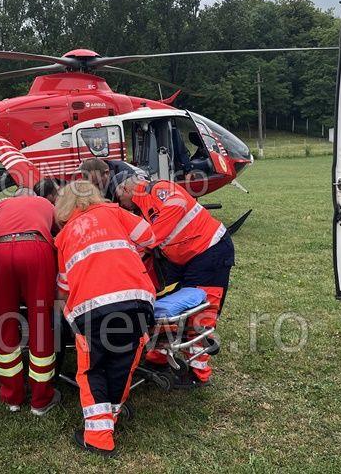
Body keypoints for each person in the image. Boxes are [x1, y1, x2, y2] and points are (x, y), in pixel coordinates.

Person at [54, 180, 157, 456]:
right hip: (136, 299)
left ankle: (99, 437)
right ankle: (110, 417)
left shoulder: (63, 237)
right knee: (123, 361)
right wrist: (128, 254)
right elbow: (149, 236)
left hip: (92, 309)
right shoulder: (114, 212)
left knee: (93, 367)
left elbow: (63, 287)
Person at [113, 173, 234, 388]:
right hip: (182, 257)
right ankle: (158, 357)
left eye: (119, 199)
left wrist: (152, 237)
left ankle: (198, 373)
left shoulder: (156, 189)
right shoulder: (142, 207)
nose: (121, 205)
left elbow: (176, 204)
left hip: (209, 251)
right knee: (165, 304)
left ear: (125, 190)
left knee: (200, 313)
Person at [0, 188, 60, 414]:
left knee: (4, 323)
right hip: (36, 248)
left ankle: (12, 397)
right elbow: (62, 237)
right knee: (40, 323)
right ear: (33, 196)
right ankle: (41, 400)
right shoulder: (46, 204)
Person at [79, 157, 146, 201]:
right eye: (92, 186)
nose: (96, 189)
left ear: (107, 173)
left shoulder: (127, 176)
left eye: (97, 184)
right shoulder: (102, 177)